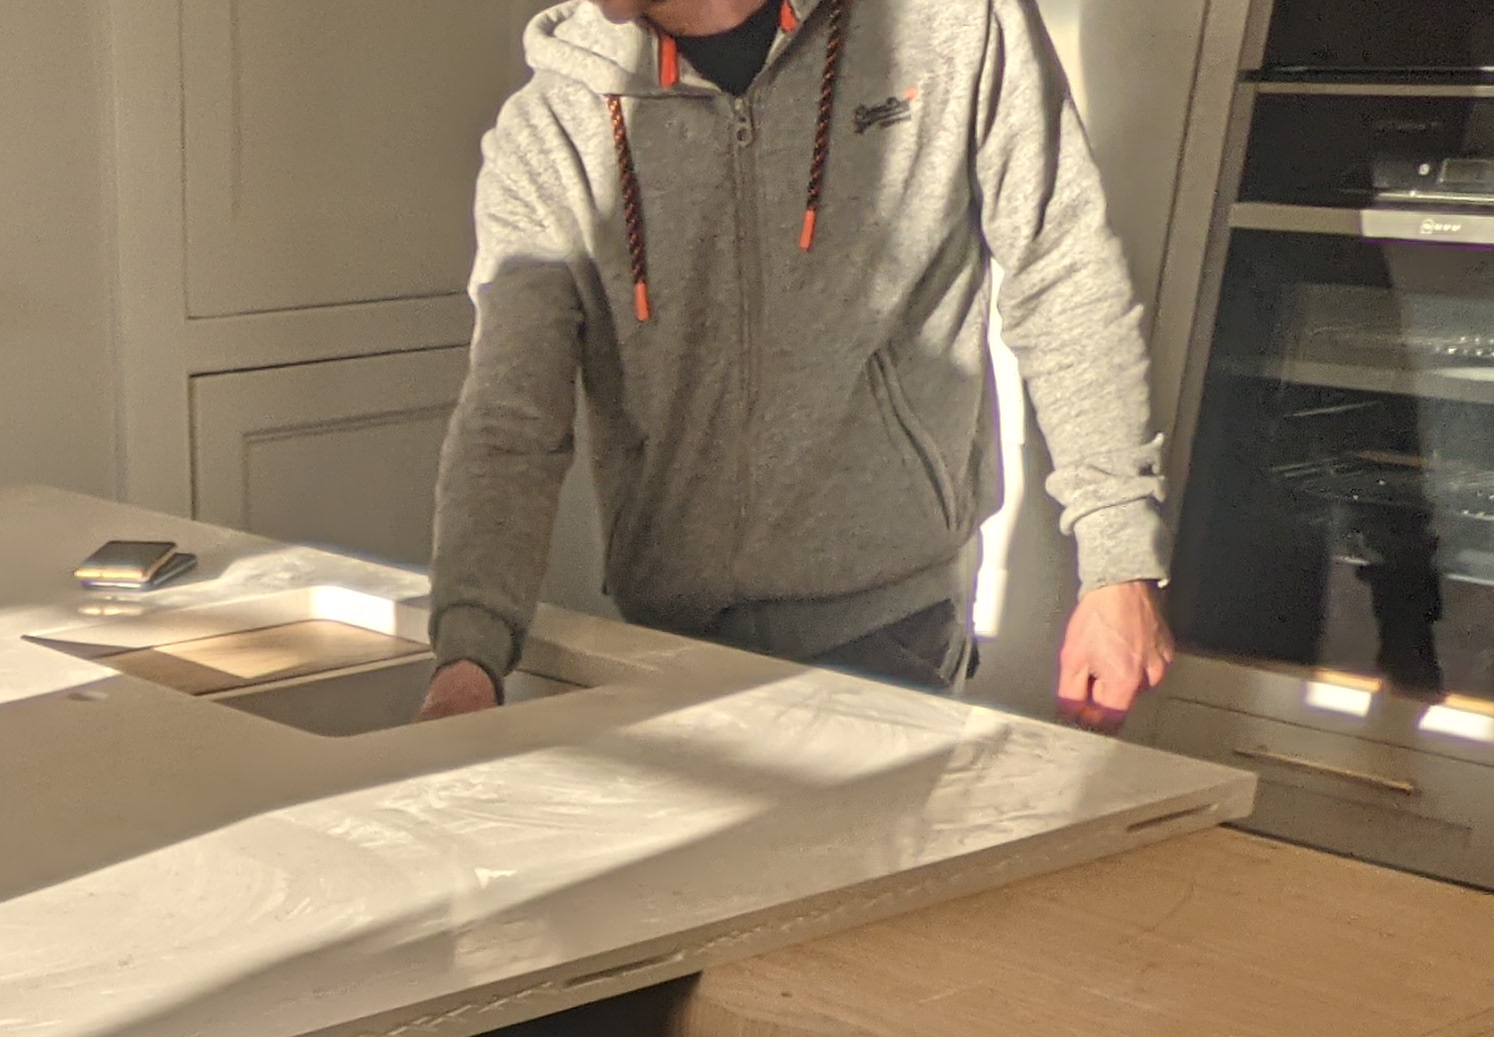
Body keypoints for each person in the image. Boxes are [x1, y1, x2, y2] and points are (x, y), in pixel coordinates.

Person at [418, 0, 1176, 728]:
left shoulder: (950, 21)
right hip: (666, 638)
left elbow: (1062, 274)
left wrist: (1118, 559)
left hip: (892, 629)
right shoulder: (550, 126)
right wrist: (469, 656)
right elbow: (512, 415)